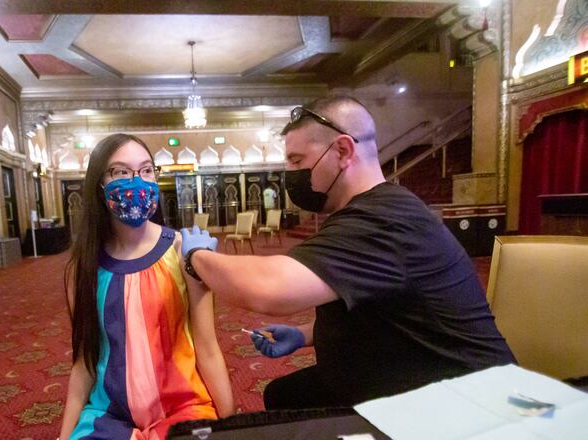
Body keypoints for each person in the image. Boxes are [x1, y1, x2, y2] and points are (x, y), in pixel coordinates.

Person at [181, 96, 516, 410]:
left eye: (298, 161)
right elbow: (377, 307)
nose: (290, 174)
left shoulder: (384, 220)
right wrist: (304, 334)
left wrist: (196, 256)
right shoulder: (372, 210)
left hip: (462, 401)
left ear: (342, 151)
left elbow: (269, 290)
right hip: (403, 373)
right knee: (283, 396)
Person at [59, 134, 234, 440]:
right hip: (109, 416)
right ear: (99, 185)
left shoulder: (183, 252)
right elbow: (85, 362)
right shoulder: (83, 269)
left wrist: (229, 423)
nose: (136, 181)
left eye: (146, 170)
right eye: (120, 172)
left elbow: (207, 347)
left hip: (184, 408)